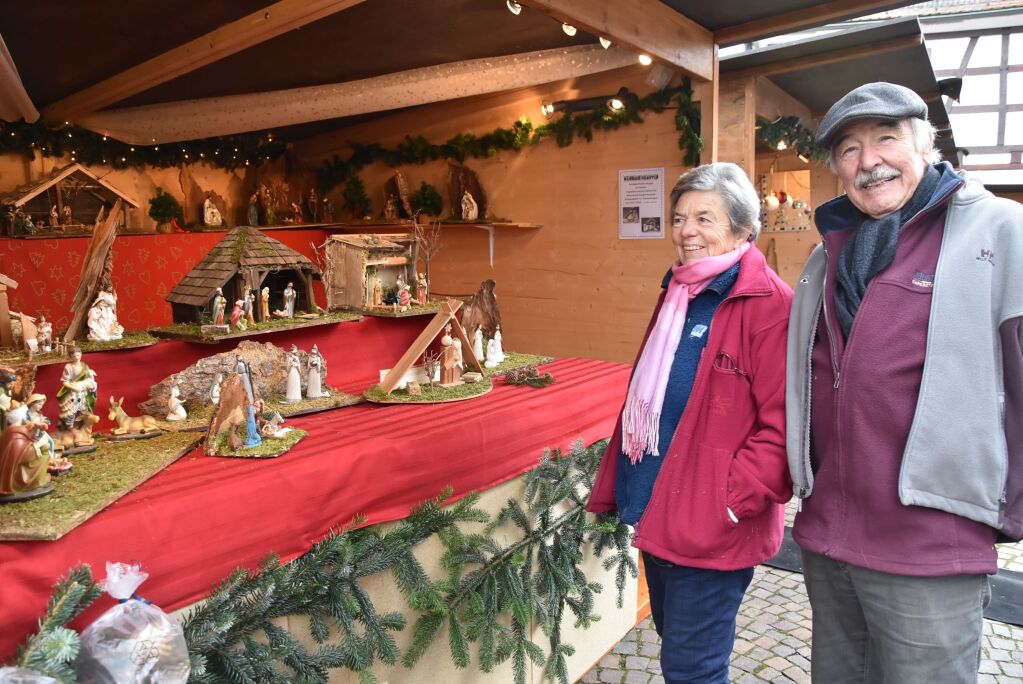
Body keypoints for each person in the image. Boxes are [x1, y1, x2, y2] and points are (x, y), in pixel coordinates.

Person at [786, 82, 1023, 683]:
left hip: (929, 547)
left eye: (886, 139)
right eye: (849, 150)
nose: (868, 161)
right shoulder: (827, 255)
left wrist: (1006, 507)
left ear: (924, 146)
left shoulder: (999, 231)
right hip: (829, 539)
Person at [587, 162, 792, 684]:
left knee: (693, 669)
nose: (686, 231)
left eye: (704, 218)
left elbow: (785, 428)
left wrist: (727, 502)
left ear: (742, 228)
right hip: (660, 510)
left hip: (710, 524)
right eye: (679, 218)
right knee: (675, 644)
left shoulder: (769, 305)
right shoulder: (681, 291)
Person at [57, 347, 97, 431]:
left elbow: (89, 379)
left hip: (82, 391)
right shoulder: (68, 367)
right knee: (70, 411)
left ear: (81, 354)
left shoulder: (84, 366)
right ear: (71, 357)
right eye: (74, 356)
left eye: (78, 355)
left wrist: (90, 376)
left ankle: (81, 428)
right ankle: (69, 428)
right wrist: (74, 388)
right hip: (73, 391)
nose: (76, 357)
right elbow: (65, 381)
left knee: (83, 410)